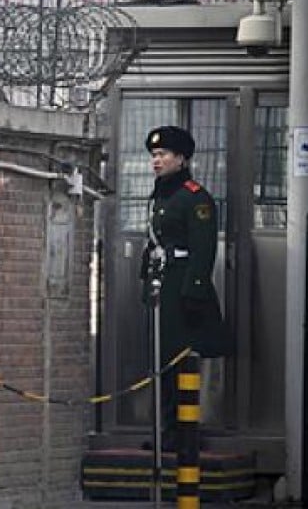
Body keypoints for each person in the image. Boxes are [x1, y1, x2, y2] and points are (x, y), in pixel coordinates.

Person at [139, 125, 232, 451]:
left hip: (183, 291)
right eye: (154, 155)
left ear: (182, 158)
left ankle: (183, 431)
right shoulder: (161, 194)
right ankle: (166, 429)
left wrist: (194, 290)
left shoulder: (195, 197)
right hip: (163, 286)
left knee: (179, 361)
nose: (156, 160)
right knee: (161, 360)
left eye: (163, 154)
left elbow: (203, 248)